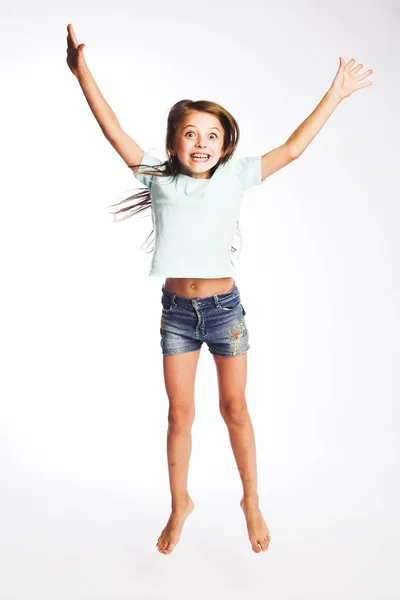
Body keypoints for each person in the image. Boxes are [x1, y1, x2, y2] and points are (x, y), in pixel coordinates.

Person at [66, 23, 373, 555]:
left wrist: (336, 93)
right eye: (190, 134)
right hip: (177, 313)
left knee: (235, 407)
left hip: (225, 310)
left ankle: (250, 500)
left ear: (225, 144)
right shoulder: (158, 178)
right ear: (173, 142)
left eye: (211, 135)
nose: (201, 143)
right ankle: (179, 502)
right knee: (179, 414)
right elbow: (113, 130)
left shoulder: (236, 177)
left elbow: (294, 148)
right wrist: (81, 73)